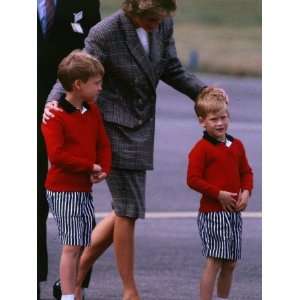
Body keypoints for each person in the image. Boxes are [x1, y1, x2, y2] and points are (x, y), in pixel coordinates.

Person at [43, 1, 226, 299]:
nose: (157, 24)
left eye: (160, 18)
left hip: (141, 126)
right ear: (133, 11)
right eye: (151, 19)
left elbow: (172, 68)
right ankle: (129, 290)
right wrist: (54, 103)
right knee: (128, 210)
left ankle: (75, 275)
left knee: (125, 208)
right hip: (112, 127)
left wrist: (204, 92)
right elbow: (75, 70)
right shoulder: (106, 32)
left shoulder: (163, 22)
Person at [37, 1, 101, 298]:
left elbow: (94, 49)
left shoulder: (86, 2)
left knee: (78, 234)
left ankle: (74, 288)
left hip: (68, 109)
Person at [41, 50, 112, 300]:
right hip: (63, 189)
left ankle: (72, 290)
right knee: (71, 246)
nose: (100, 88)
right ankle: (69, 295)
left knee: (82, 243)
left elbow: (102, 142)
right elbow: (57, 156)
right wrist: (88, 166)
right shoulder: (54, 117)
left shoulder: (91, 110)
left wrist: (103, 167)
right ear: (78, 85)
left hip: (83, 189)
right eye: (96, 83)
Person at [186, 87, 253, 300]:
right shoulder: (201, 149)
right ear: (202, 121)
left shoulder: (237, 145)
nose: (220, 123)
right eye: (214, 119)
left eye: (223, 117)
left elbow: (246, 172)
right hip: (212, 214)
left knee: (230, 262)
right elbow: (193, 179)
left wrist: (246, 192)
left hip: (233, 213)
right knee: (215, 260)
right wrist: (218, 194)